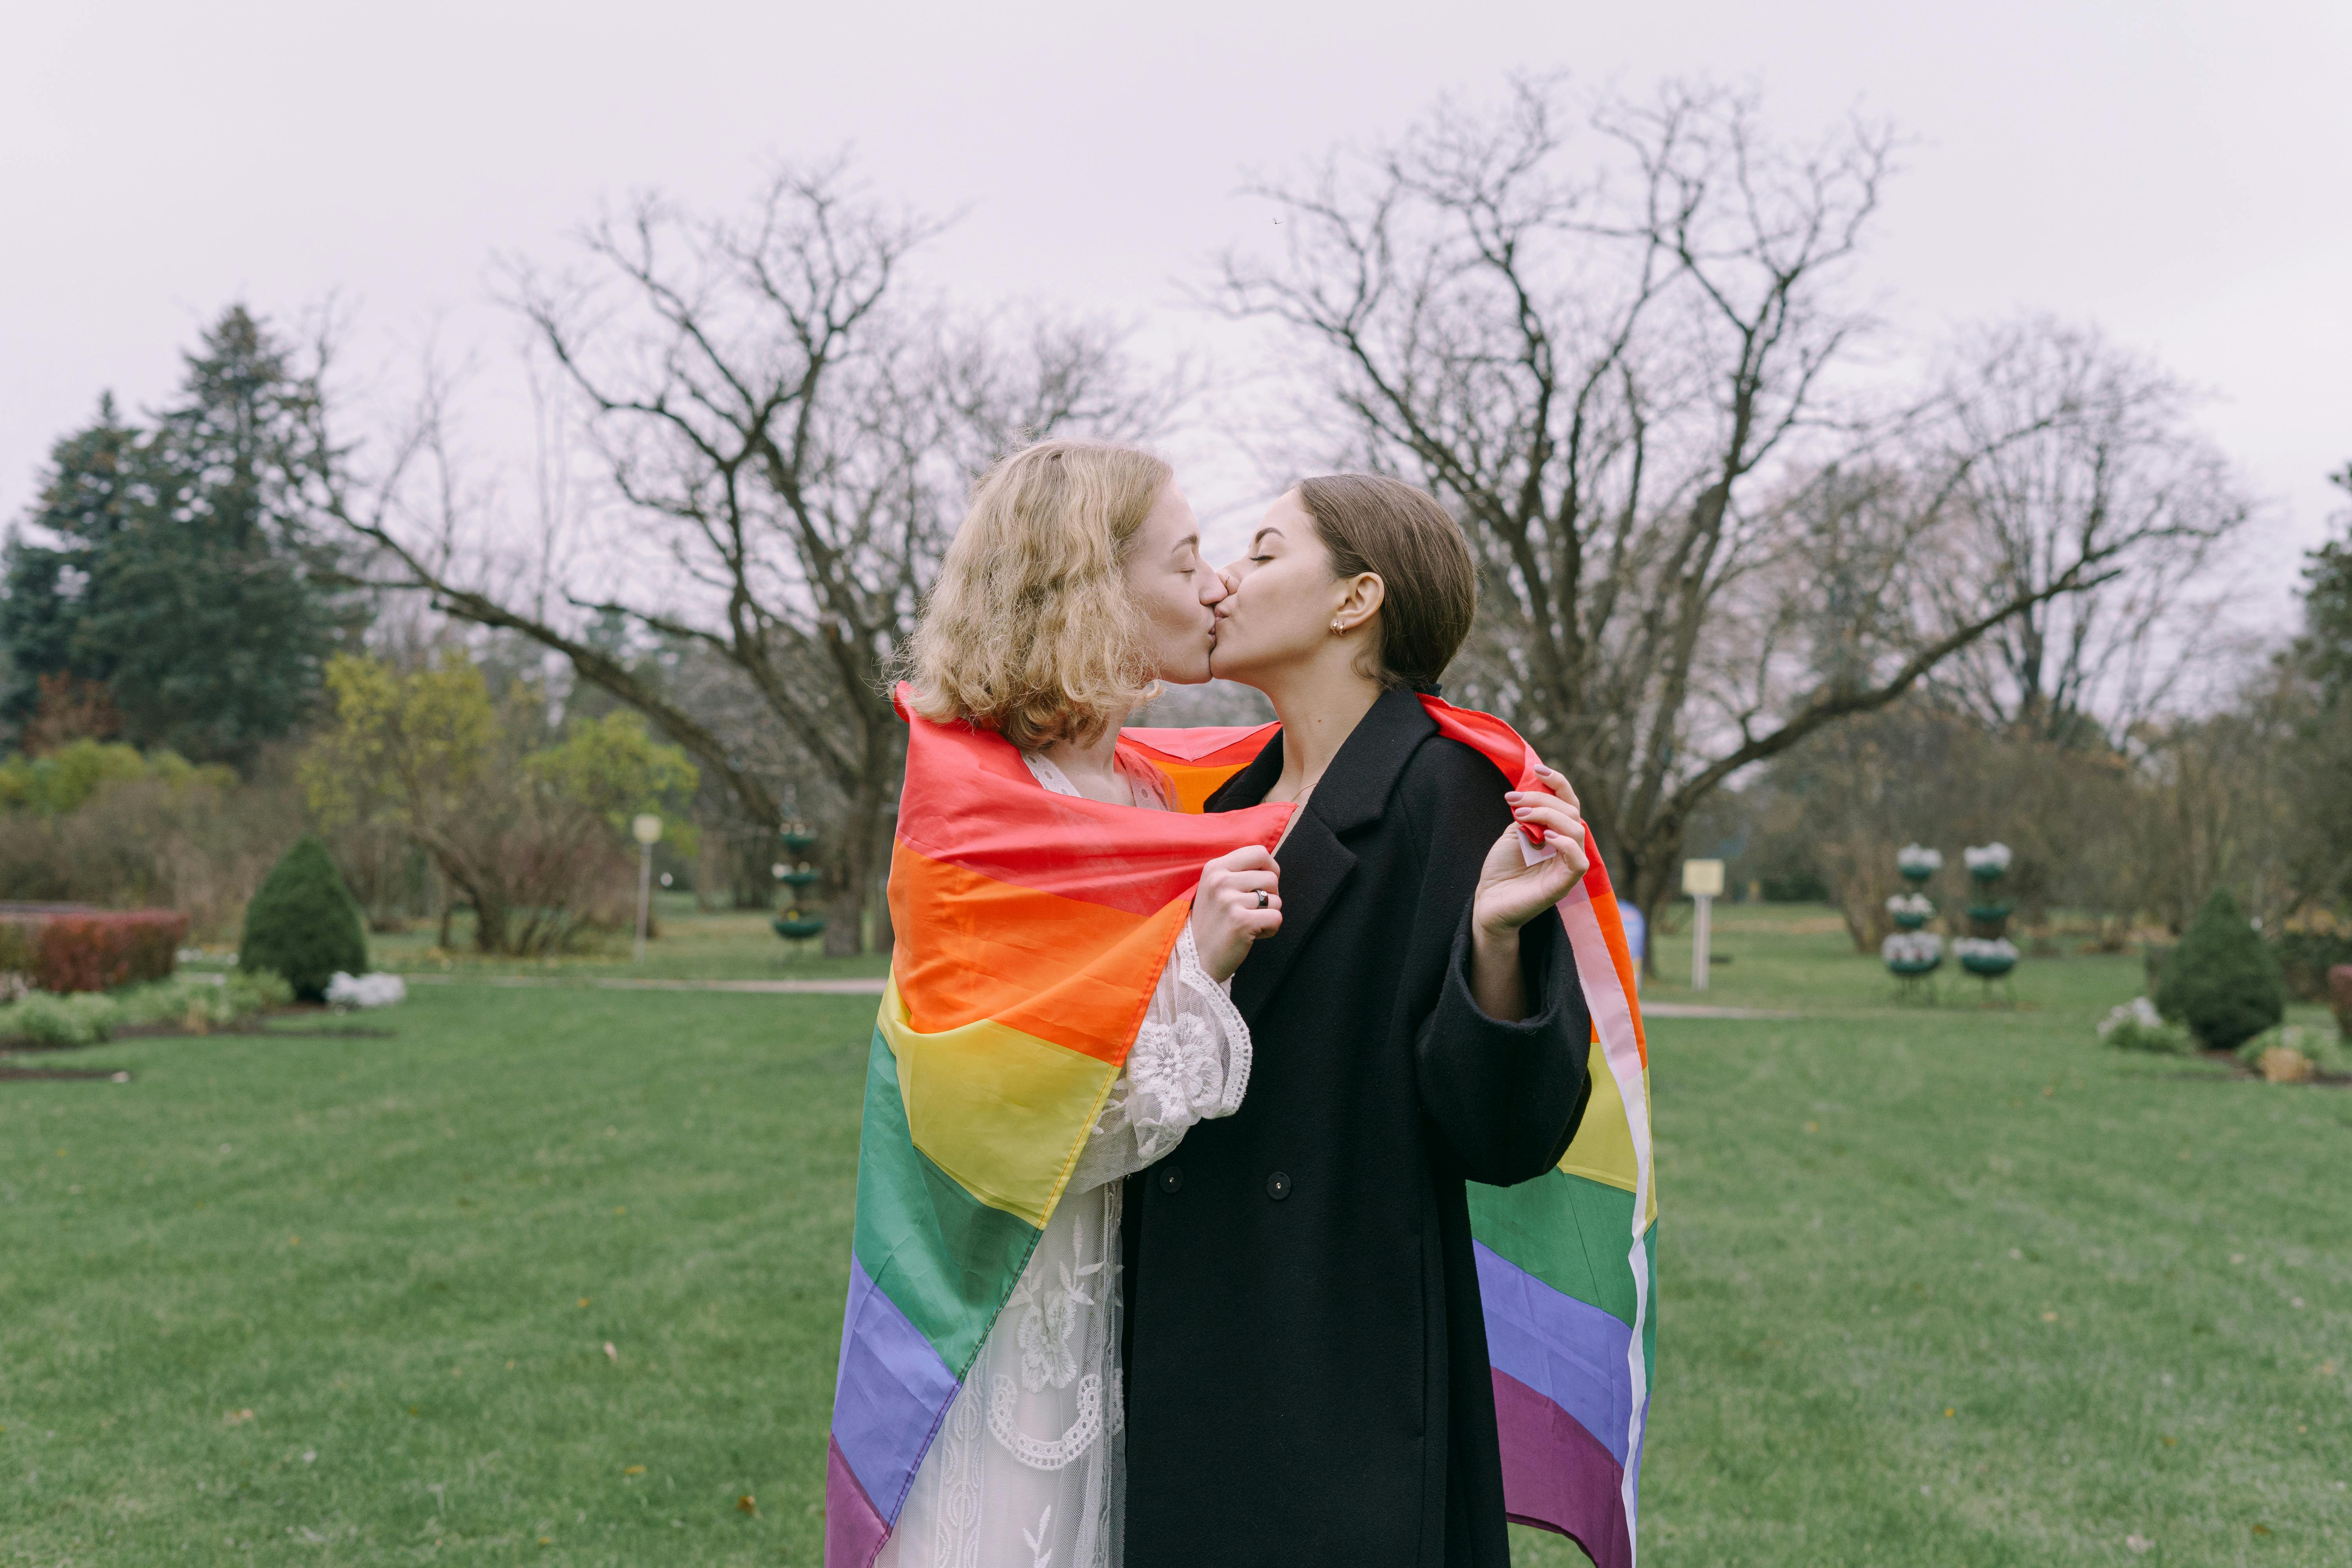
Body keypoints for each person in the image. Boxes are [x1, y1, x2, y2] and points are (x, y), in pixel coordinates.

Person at [1118, 474, 1596, 1568]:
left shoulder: (1450, 790)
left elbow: (1506, 1138)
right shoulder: (1224, 807)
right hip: (1181, 1326)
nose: (1227, 579)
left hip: (1338, 1358)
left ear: (1355, 600)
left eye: (1268, 551)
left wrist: (1494, 943)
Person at [873, 439, 1281, 1568]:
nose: (1218, 586)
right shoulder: (982, 803)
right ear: (1094, 592)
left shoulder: (1150, 790)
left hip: (1158, 1297)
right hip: (1019, 1302)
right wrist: (1200, 965)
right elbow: (996, 1119)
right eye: (1187, 559)